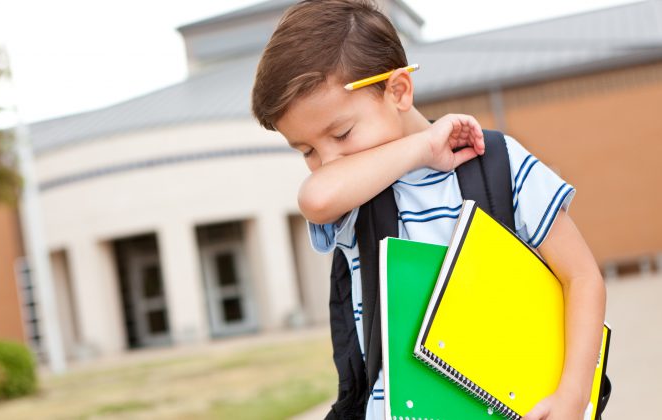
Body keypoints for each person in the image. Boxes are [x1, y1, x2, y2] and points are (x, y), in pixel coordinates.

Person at [250, 1, 606, 419]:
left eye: (342, 133)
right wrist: (423, 147)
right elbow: (317, 198)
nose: (329, 160)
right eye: (307, 150)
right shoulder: (356, 196)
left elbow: (582, 277)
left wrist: (572, 397)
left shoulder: (497, 163)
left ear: (398, 90)